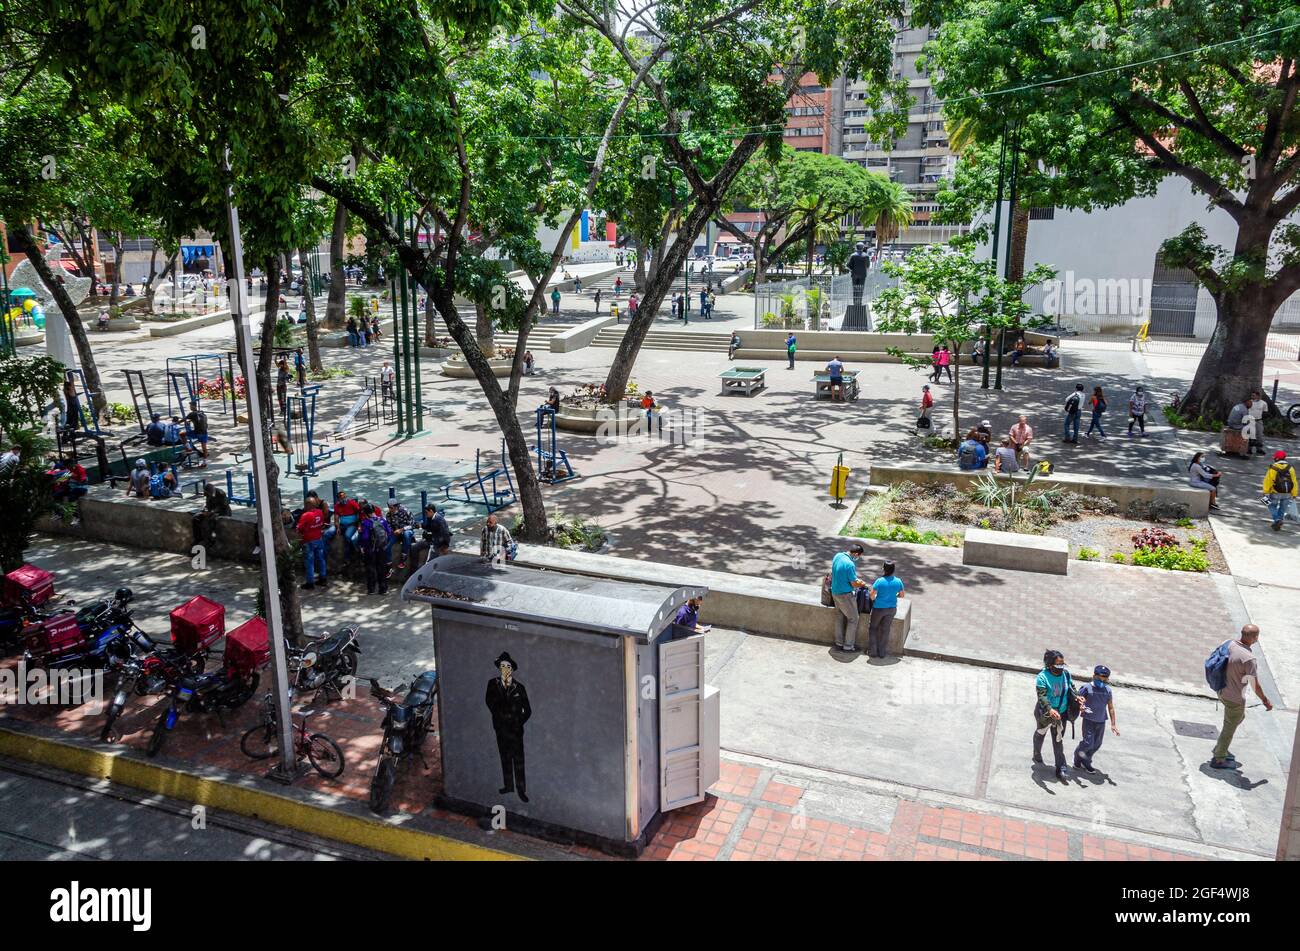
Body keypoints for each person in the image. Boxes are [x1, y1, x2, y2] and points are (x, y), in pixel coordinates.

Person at [1209, 625, 1273, 769]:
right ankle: (1219, 758)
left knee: (1238, 718)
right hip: (1234, 698)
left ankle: (1222, 745)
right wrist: (1265, 700)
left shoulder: (1229, 643)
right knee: (1229, 728)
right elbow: (1255, 685)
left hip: (1221, 690)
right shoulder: (1249, 659)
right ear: (1254, 638)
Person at [485, 652, 531, 802]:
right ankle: (508, 786)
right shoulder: (493, 684)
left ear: (512, 669)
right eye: (502, 666)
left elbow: (528, 710)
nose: (505, 668)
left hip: (516, 730)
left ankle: (521, 790)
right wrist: (500, 718)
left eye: (508, 666)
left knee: (518, 759)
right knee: (504, 757)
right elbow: (489, 702)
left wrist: (518, 722)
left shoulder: (519, 687)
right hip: (501, 728)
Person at [1034, 649, 1079, 782]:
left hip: (1062, 714)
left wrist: (1078, 698)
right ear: (1050, 664)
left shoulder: (1066, 674)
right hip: (1045, 714)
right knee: (1040, 733)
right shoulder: (1042, 677)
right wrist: (1050, 709)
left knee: (1058, 740)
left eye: (1062, 664)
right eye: (1058, 665)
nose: (1061, 667)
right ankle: (1036, 752)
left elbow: (1072, 689)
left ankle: (1061, 769)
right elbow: (1041, 696)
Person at [1073, 665, 1119, 774]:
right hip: (1089, 720)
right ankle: (1078, 758)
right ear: (1094, 676)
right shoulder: (1087, 688)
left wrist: (1113, 724)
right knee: (1088, 743)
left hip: (1101, 721)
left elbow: (1111, 707)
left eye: (1104, 679)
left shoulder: (1107, 690)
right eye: (1099, 678)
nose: (1101, 681)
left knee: (1097, 744)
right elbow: (1078, 700)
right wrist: (1081, 706)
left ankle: (1085, 760)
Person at [829, 543, 867, 653]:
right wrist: (862, 584)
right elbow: (854, 584)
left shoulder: (838, 556)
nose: (858, 558)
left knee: (839, 616)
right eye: (859, 556)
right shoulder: (850, 564)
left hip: (835, 591)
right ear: (855, 553)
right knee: (853, 619)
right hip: (845, 595)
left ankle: (839, 643)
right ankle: (848, 646)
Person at [866, 561, 904, 658]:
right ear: (893, 570)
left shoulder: (879, 581)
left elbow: (871, 595)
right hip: (891, 609)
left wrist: (875, 600)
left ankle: (873, 652)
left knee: (873, 628)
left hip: (878, 608)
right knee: (885, 629)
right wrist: (894, 595)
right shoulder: (898, 581)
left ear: (883, 569)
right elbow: (902, 595)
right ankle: (882, 652)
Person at [357, 503, 392, 595]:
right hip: (382, 548)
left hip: (370, 549)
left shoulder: (366, 522)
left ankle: (371, 589)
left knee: (371, 568)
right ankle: (383, 589)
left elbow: (365, 538)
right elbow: (389, 533)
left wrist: (362, 546)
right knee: (382, 568)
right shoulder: (382, 520)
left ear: (366, 513)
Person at [297, 495, 329, 590]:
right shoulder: (320, 512)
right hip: (319, 539)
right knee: (321, 559)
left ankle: (310, 583)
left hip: (308, 541)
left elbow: (299, 528)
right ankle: (323, 579)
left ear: (308, 505)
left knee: (309, 562)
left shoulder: (306, 515)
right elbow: (322, 523)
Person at [408, 503, 452, 571]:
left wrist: (445, 545)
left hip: (437, 543)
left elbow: (445, 533)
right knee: (414, 547)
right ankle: (414, 570)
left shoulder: (439, 520)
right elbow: (429, 527)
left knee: (429, 562)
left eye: (426, 512)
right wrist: (420, 526)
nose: (426, 514)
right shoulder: (430, 517)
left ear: (431, 511)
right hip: (430, 540)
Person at [1262, 449, 1298, 531]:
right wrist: (1294, 493)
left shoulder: (1273, 468)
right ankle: (1279, 522)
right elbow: (1294, 482)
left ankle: (1277, 520)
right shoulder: (1291, 468)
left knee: (1271, 505)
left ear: (1277, 458)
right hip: (1287, 493)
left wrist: (1265, 492)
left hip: (1275, 492)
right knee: (1282, 508)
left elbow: (1268, 481)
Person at [385, 498, 416, 568]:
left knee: (406, 534)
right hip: (396, 533)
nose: (390, 510)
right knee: (387, 545)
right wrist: (393, 531)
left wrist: (401, 530)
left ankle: (404, 557)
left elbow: (413, 524)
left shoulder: (405, 511)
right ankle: (389, 565)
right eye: (389, 508)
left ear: (396, 507)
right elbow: (389, 527)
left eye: (391, 508)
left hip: (406, 531)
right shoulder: (388, 515)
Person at [334, 490, 363, 561]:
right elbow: (336, 518)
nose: (343, 499)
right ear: (338, 499)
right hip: (342, 525)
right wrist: (337, 527)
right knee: (329, 533)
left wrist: (359, 525)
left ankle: (353, 553)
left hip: (352, 525)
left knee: (347, 536)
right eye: (341, 498)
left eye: (344, 497)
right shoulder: (337, 506)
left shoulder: (352, 503)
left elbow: (360, 514)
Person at [185, 401, 209, 466]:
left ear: (193, 406)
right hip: (204, 432)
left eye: (190, 406)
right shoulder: (201, 412)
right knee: (204, 448)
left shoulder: (192, 414)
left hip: (197, 433)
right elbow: (198, 420)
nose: (190, 407)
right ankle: (205, 462)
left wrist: (176, 423)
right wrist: (191, 420)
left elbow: (183, 420)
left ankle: (188, 447)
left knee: (182, 434)